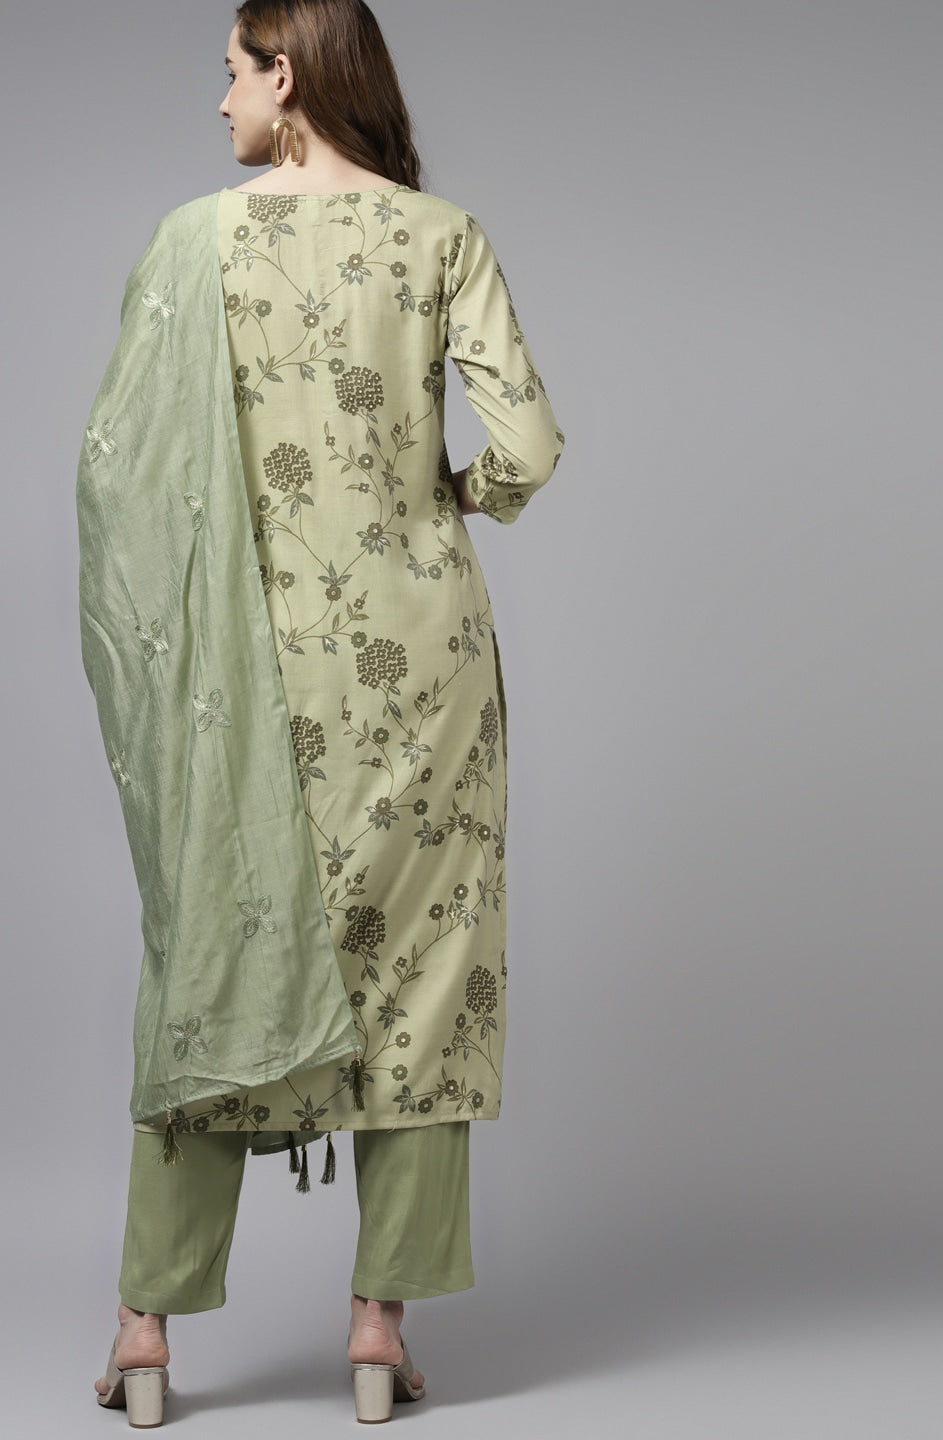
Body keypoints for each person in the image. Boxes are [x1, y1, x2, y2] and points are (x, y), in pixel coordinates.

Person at [78, 0, 564, 1424]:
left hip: (248, 675)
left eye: (230, 73)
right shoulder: (443, 236)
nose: (219, 101)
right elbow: (529, 445)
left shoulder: (192, 243)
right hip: (425, 669)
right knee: (421, 981)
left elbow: (117, 469)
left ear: (285, 77)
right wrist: (450, 498)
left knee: (214, 957)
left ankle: (147, 1335)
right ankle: (374, 1336)